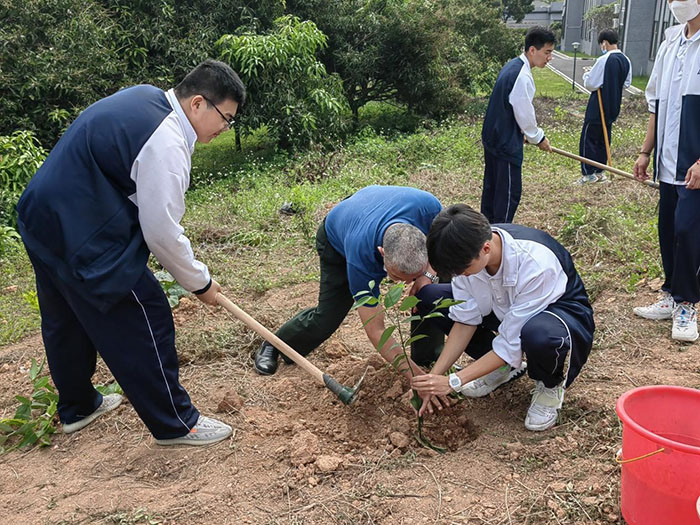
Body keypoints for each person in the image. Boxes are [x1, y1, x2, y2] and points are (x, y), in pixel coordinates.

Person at [16, 59, 246, 445]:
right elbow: (161, 232)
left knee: (66, 316)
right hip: (79, 229)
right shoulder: (168, 141)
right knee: (146, 310)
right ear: (197, 104)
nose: (225, 128)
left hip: (41, 216)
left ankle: (78, 407)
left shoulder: (146, 98)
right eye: (226, 117)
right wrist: (199, 282)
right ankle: (177, 423)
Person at [254, 185, 451, 412]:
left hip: (373, 208)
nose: (403, 284)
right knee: (328, 315)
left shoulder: (429, 209)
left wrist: (427, 276)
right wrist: (416, 379)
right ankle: (276, 344)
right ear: (382, 253)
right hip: (337, 237)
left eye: (409, 278)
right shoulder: (361, 257)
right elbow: (376, 331)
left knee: (432, 290)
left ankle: (427, 355)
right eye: (396, 276)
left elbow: (443, 249)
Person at [410, 205, 595, 431]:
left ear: (486, 248)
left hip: (554, 311)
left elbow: (511, 341)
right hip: (505, 307)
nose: (460, 276)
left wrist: (454, 381)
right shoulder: (467, 256)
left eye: (464, 270)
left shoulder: (535, 264)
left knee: (539, 335)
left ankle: (549, 385)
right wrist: (434, 378)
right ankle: (499, 368)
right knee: (432, 298)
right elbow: (465, 320)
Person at [632, 0, 700, 342]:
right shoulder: (670, 41)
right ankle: (672, 293)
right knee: (668, 230)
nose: (675, 3)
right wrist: (646, 152)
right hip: (668, 162)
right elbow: (656, 103)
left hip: (695, 165)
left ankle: (689, 302)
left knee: (689, 232)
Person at [480, 26, 555, 224]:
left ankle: (485, 231)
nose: (549, 58)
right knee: (507, 194)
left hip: (494, 137)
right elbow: (524, 113)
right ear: (532, 50)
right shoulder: (522, 75)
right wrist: (538, 138)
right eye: (546, 52)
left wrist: (524, 135)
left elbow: (508, 106)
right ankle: (500, 235)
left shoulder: (512, 65)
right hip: (504, 144)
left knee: (492, 190)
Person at [576, 29, 632, 184]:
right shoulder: (625, 60)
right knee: (604, 137)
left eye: (601, 44)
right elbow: (626, 84)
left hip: (598, 104)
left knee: (589, 138)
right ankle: (601, 171)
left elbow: (591, 83)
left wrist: (586, 74)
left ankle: (589, 174)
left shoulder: (604, 59)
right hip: (613, 104)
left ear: (604, 43)